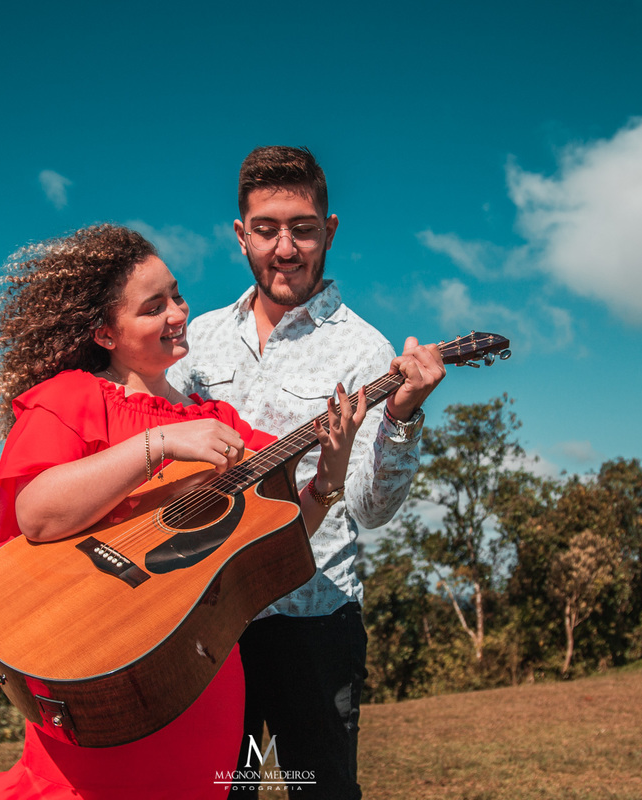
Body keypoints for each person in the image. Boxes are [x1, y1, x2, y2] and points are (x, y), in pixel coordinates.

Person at [0, 223, 366, 800]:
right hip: (94, 662)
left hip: (200, 675)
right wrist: (161, 443)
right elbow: (35, 514)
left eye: (177, 296)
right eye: (153, 307)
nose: (178, 314)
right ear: (105, 333)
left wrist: (330, 477)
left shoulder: (218, 421)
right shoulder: (72, 398)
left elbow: (273, 533)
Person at [171, 146, 446, 798]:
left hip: (315, 617)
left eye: (303, 228)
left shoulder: (364, 349)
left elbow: (371, 510)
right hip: (208, 617)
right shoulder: (197, 340)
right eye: (266, 229)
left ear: (330, 230)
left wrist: (401, 417)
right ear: (241, 234)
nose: (286, 248)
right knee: (218, 791)